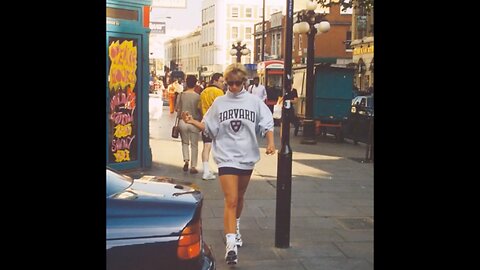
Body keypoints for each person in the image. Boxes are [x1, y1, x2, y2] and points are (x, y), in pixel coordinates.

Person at [181, 63, 275, 265]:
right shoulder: (220, 103)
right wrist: (192, 122)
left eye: (236, 83)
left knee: (239, 197)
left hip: (247, 156)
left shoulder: (254, 102)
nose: (232, 87)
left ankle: (236, 227)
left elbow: (266, 122)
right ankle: (231, 244)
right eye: (229, 83)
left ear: (244, 82)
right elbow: (209, 126)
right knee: (231, 199)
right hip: (226, 156)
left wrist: (270, 143)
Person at [199, 72, 225, 180]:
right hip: (217, 124)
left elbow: (199, 107)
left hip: (205, 122)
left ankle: (206, 170)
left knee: (206, 146)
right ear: (214, 81)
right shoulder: (219, 92)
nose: (223, 84)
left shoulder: (203, 92)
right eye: (221, 81)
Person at [176, 75, 201, 174]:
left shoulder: (181, 95)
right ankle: (193, 166)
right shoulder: (198, 96)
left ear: (186, 83)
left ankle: (186, 160)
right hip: (194, 121)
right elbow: (200, 109)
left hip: (183, 121)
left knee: (184, 143)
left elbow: (177, 108)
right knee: (194, 145)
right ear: (195, 84)